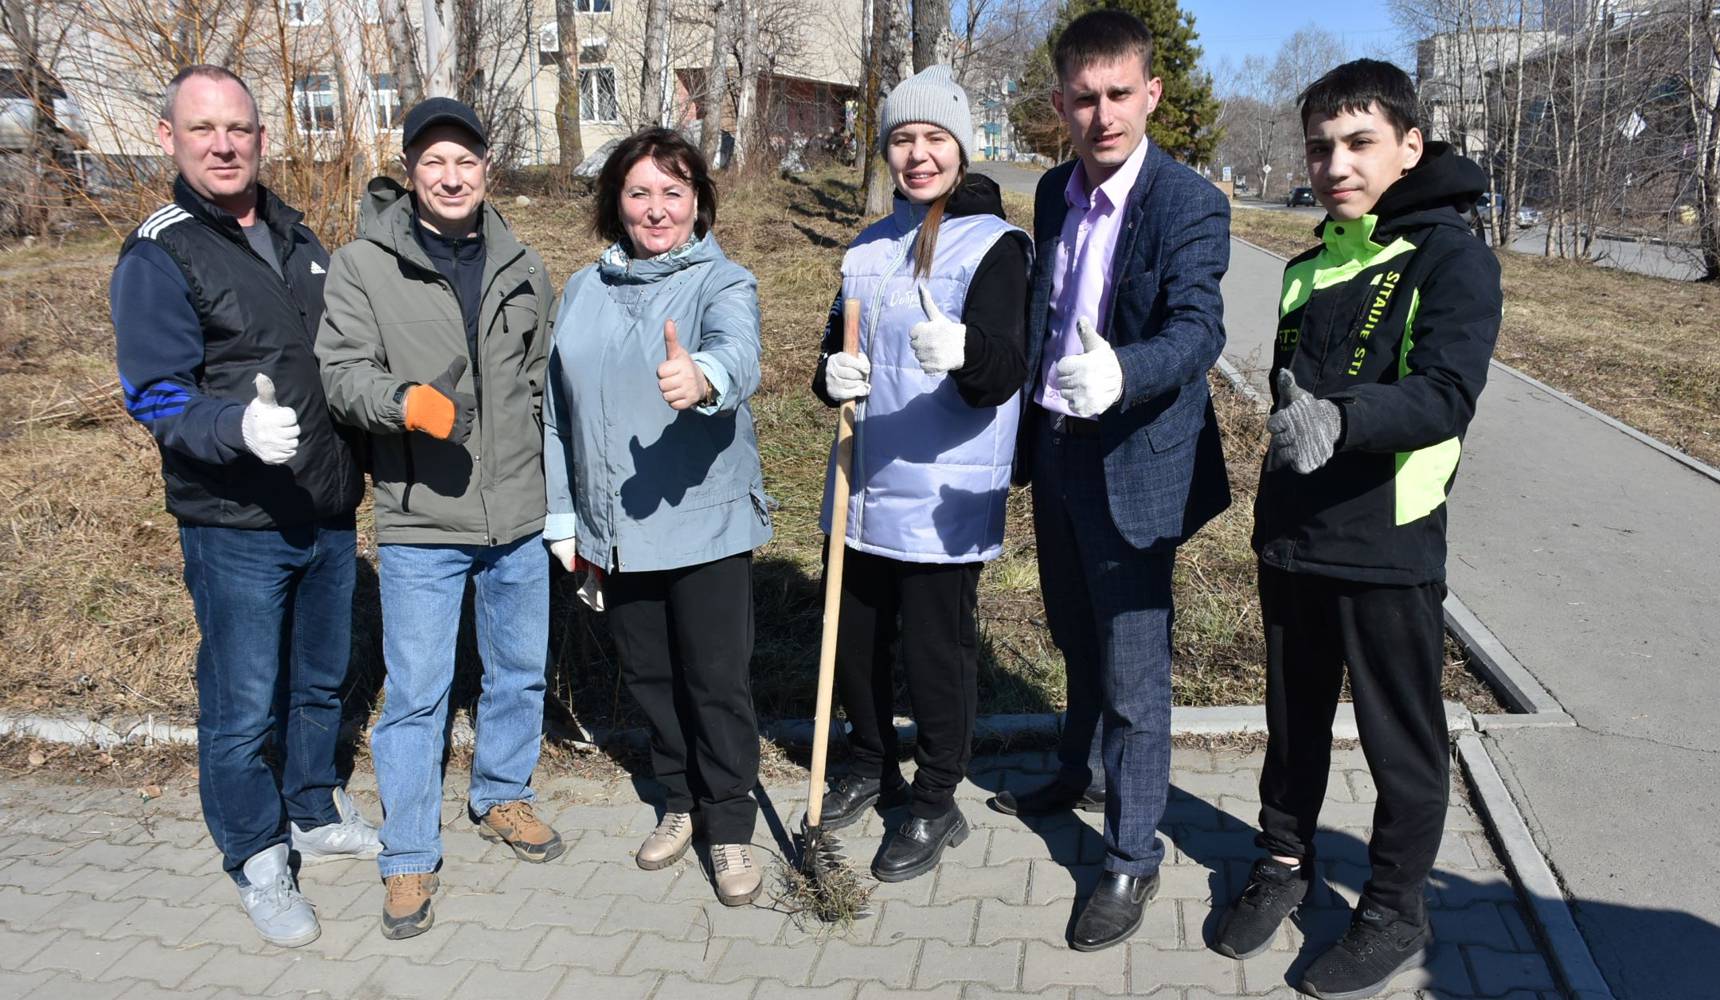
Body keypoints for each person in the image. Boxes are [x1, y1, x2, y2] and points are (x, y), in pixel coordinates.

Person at [1212, 60, 1502, 999]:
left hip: (1388, 545)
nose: (1336, 164)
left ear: (1410, 147)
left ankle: (1393, 908)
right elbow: (1289, 391)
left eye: (1359, 143)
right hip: (1295, 538)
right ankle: (1282, 863)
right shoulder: (1306, 267)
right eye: (1320, 147)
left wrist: (1344, 419)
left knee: (1399, 744)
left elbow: (1446, 393)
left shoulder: (1451, 258)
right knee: (1292, 725)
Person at [110, 65, 376, 949]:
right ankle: (257, 856)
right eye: (203, 129)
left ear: (262, 137)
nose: (223, 146)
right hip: (233, 524)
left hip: (324, 508)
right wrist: (233, 426)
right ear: (169, 138)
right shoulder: (160, 251)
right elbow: (152, 393)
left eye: (238, 129)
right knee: (241, 705)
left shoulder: (299, 236)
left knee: (319, 682)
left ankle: (311, 810)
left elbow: (338, 357)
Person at [1007, 10, 1233, 952]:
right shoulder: (1053, 191)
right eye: (1084, 97)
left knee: (1136, 673)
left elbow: (1199, 330)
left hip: (1134, 459)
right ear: (1061, 102)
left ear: (1152, 94)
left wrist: (1125, 373)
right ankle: (1082, 770)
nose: (1102, 115)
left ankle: (1132, 857)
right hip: (1059, 448)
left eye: (1119, 94)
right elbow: (1044, 307)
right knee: (1072, 632)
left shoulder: (1188, 203)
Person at [315, 97, 561, 940]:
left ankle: (503, 795)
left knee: (518, 673)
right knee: (418, 696)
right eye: (433, 163)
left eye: (465, 161)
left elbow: (540, 385)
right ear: (411, 172)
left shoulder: (523, 263)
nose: (451, 177)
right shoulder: (363, 265)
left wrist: (558, 496)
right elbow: (340, 373)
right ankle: (409, 854)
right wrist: (402, 402)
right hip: (423, 519)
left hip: (518, 515)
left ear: (486, 168)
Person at [810, 65, 1031, 882]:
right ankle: (872, 764)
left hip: (942, 491)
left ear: (961, 149)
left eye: (934, 138)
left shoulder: (996, 246)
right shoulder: (868, 245)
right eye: (902, 139)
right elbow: (832, 352)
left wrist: (967, 352)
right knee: (856, 642)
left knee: (938, 656)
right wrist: (829, 373)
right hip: (862, 483)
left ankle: (937, 799)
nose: (917, 153)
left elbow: (1004, 370)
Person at [542, 127, 772, 907]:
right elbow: (557, 412)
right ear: (616, 203)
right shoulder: (582, 290)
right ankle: (680, 800)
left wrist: (703, 377)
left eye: (673, 192)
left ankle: (730, 822)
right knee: (649, 677)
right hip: (616, 528)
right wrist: (564, 514)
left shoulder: (722, 281)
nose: (656, 208)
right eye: (639, 192)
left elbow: (738, 353)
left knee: (715, 681)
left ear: (698, 201)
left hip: (704, 525)